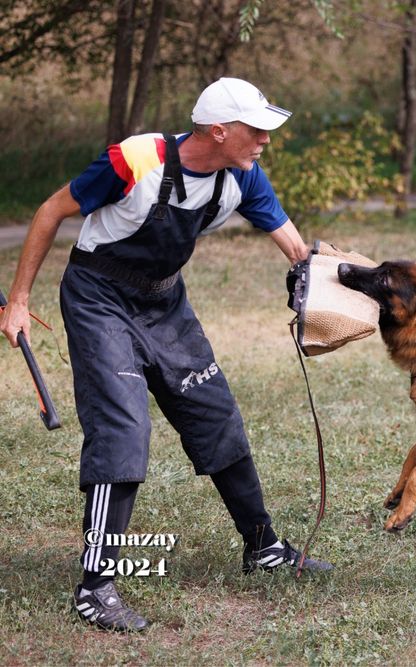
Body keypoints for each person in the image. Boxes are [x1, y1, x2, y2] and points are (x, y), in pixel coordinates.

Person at [0, 77, 332, 632]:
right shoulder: (136, 158)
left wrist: (331, 286)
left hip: (164, 302)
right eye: (257, 130)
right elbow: (50, 212)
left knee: (216, 415)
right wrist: (17, 300)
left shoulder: (242, 176)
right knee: (122, 430)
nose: (266, 141)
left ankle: (263, 548)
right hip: (97, 298)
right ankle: (95, 587)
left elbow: (297, 249)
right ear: (219, 130)